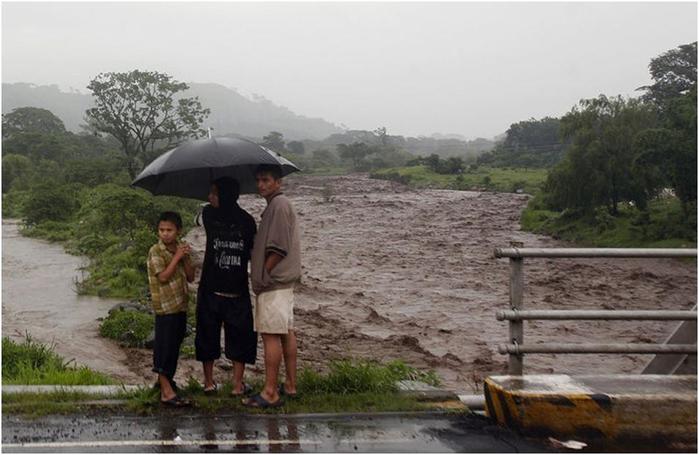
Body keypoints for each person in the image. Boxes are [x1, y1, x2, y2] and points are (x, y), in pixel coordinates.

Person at [244, 164, 301, 408]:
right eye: (258, 180)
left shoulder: (278, 205)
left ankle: (270, 392)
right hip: (282, 282)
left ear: (278, 182)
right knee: (285, 332)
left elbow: (278, 247)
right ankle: (289, 385)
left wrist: (263, 274)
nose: (261, 185)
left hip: (274, 283)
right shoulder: (277, 206)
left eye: (266, 180)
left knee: (270, 335)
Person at [195, 177, 258, 396]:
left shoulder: (212, 215)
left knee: (236, 337)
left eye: (214, 193)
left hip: (229, 289)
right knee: (210, 336)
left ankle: (230, 384)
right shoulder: (244, 220)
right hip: (222, 288)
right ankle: (219, 384)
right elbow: (251, 252)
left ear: (226, 195)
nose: (209, 197)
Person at [147, 211, 195, 406]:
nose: (165, 234)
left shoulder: (181, 250)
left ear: (178, 231)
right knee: (164, 348)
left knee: (174, 346)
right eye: (161, 230)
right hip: (165, 307)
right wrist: (177, 257)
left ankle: (166, 383)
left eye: (169, 230)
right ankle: (166, 392)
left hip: (180, 305)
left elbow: (191, 277)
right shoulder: (155, 251)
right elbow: (164, 277)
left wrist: (184, 257)